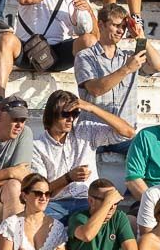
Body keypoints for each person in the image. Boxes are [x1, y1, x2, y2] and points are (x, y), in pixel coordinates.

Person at [31, 90, 134, 221]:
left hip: (89, 201)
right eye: (65, 114)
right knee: (38, 221)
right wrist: (68, 178)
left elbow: (128, 132)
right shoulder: (37, 146)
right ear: (52, 114)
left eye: (75, 113)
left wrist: (92, 108)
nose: (71, 119)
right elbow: (42, 191)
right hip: (55, 204)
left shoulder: (85, 130)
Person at [76, 2, 160, 116]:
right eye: (116, 25)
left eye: (123, 27)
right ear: (101, 25)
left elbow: (159, 66)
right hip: (95, 129)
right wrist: (126, 69)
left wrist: (141, 38)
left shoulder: (128, 57)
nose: (121, 31)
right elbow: (95, 90)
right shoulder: (85, 56)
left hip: (124, 130)